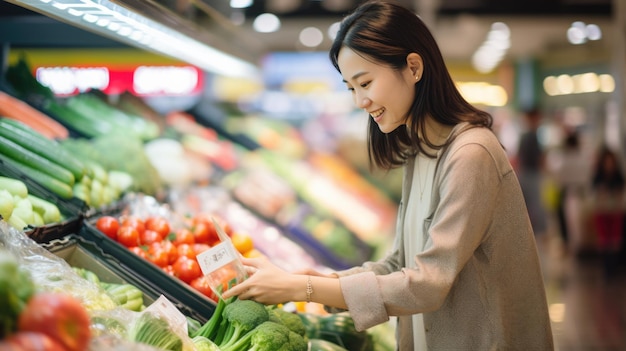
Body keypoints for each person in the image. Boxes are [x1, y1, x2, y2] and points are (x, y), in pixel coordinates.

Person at [222, 1, 554, 349]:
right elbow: (400, 262)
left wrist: (304, 288)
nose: (359, 101)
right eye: (351, 88)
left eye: (365, 82)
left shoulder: (471, 155)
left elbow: (428, 282)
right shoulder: (421, 149)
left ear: (413, 67)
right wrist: (317, 280)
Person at [590, 146, 625, 277]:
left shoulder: (618, 176)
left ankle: (613, 267)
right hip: (602, 211)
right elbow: (594, 192)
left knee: (615, 240)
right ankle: (606, 268)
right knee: (604, 240)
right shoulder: (598, 176)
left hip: (615, 211)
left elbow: (620, 192)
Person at [516, 108, 548, 238]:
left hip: (524, 173)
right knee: (536, 204)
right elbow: (540, 158)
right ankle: (538, 233)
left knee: (528, 205)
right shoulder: (532, 136)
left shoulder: (525, 136)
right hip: (531, 174)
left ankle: (530, 232)